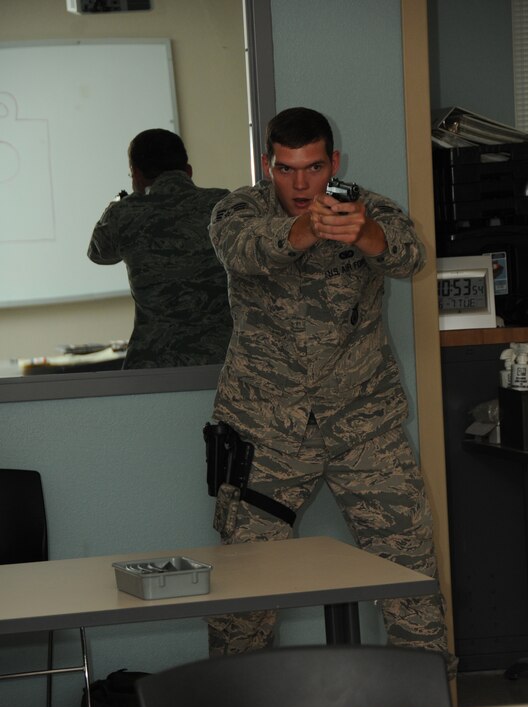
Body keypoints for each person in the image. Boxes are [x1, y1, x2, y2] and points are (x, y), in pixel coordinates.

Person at [206, 106, 455, 676]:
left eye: (314, 168)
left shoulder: (369, 207)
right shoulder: (237, 209)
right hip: (264, 434)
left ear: (333, 162)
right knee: (243, 601)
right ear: (268, 165)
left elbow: (411, 254)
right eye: (287, 169)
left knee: (412, 581)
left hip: (364, 428)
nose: (301, 184)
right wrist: (304, 230)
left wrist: (366, 234)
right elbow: (244, 251)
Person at [88, 128, 232, 368]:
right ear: (188, 171)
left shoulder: (124, 214)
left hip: (153, 365)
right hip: (221, 360)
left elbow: (98, 253)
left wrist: (118, 202)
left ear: (135, 174)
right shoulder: (223, 204)